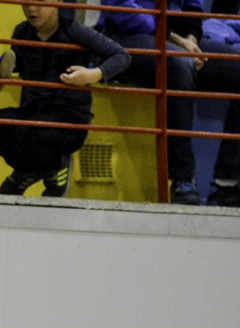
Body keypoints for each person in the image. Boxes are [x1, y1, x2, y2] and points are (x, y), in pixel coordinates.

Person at [0, 0, 131, 197]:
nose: (32, 9)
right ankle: (32, 170)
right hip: (33, 112)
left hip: (69, 117)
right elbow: (16, 67)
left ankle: (51, 166)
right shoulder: (21, 32)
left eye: (40, 2)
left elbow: (122, 56)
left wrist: (92, 75)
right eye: (26, 2)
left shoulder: (75, 31)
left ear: (58, 2)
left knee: (31, 133)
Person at [101, 0, 240, 205]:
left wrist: (191, 40)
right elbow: (124, 11)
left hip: (178, 40)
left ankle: (227, 183)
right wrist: (175, 40)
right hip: (127, 36)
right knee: (179, 65)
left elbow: (193, 7)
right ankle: (182, 180)